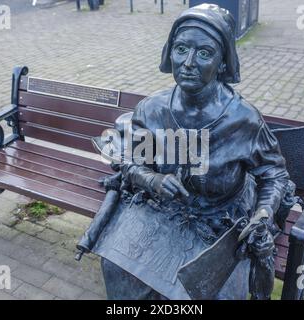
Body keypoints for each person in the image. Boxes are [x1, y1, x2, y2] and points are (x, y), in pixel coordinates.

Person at [89, 3, 291, 300]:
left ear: (223, 62)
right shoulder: (152, 109)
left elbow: (274, 174)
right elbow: (130, 162)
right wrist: (152, 180)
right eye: (181, 49)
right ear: (169, 53)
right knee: (118, 268)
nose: (189, 62)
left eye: (205, 53)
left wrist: (262, 213)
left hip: (220, 220)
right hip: (163, 212)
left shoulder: (243, 120)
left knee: (212, 295)